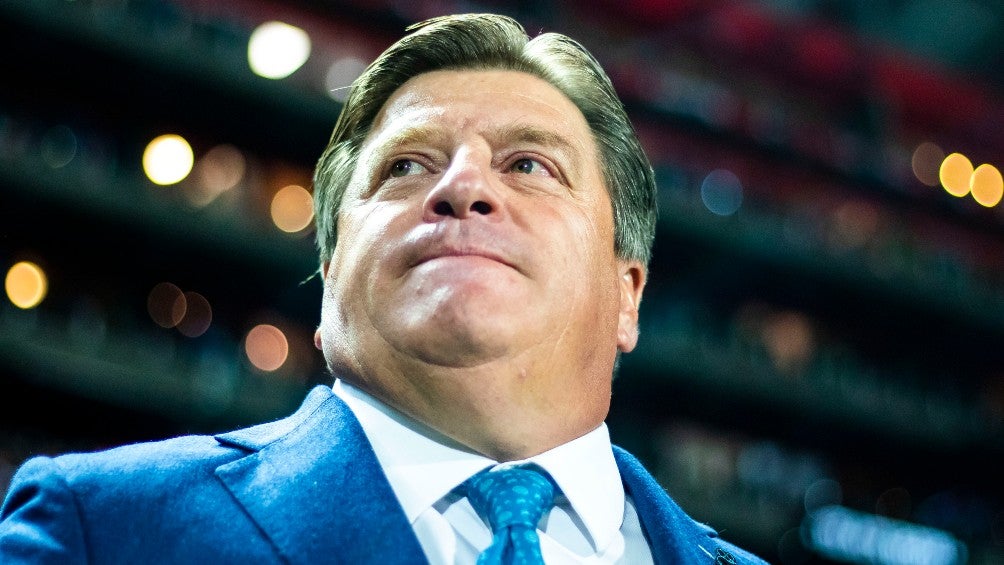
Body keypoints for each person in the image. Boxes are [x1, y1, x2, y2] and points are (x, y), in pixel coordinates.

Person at [0, 13, 768, 565]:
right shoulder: (100, 529)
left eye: (529, 164)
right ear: (332, 269)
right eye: (406, 165)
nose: (463, 186)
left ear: (627, 293)